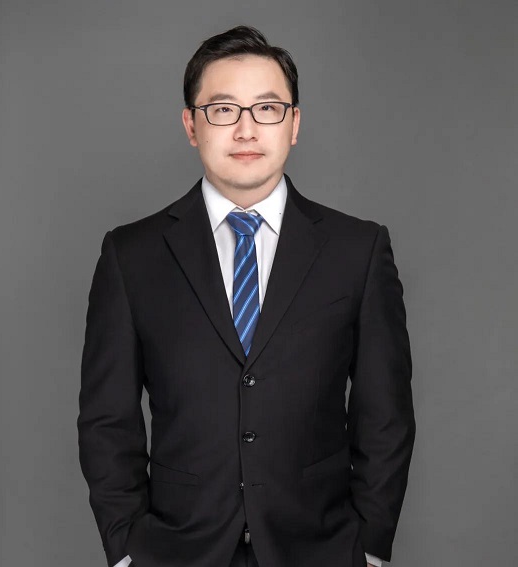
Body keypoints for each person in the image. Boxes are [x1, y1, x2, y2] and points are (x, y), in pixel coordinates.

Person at [77, 25, 416, 567]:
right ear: (191, 125)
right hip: (176, 550)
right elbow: (106, 419)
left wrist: (371, 545)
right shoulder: (130, 255)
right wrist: (124, 549)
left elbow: (386, 414)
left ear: (294, 124)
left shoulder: (358, 249)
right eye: (222, 109)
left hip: (322, 548)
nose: (246, 129)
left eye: (267, 108)